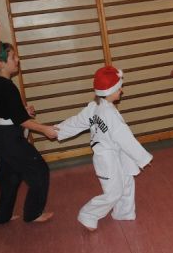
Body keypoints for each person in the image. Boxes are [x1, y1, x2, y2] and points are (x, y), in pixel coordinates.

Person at [0, 14, 56, 224]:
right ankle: (33, 213)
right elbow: (21, 120)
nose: (18, 60)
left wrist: (22, 110)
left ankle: (2, 216)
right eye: (13, 57)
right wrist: (45, 129)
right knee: (39, 170)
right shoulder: (7, 87)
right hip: (9, 139)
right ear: (1, 64)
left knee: (10, 178)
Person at [56, 66, 153, 231]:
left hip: (115, 153)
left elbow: (76, 122)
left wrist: (58, 130)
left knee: (127, 181)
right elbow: (125, 138)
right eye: (119, 88)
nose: (121, 90)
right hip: (105, 158)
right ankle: (88, 215)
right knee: (114, 192)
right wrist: (142, 158)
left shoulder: (94, 106)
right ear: (110, 91)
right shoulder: (108, 113)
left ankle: (123, 212)